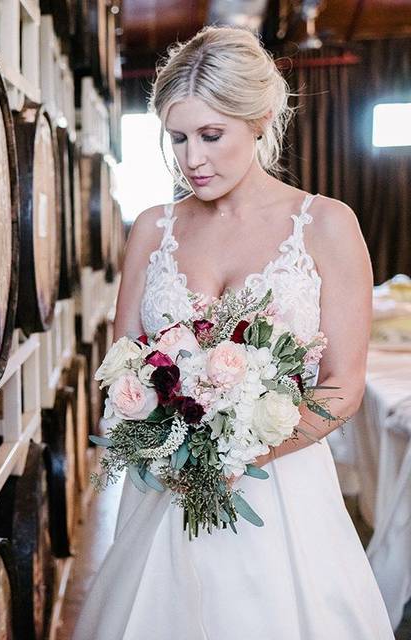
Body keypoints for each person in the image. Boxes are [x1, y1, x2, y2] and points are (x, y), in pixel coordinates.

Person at [73, 25, 394, 639]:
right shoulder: (152, 228)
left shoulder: (326, 225)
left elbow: (343, 386)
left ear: (260, 119)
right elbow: (123, 369)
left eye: (211, 135)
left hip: (284, 500)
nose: (192, 158)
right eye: (177, 138)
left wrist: (233, 452)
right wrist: (157, 436)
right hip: (163, 494)